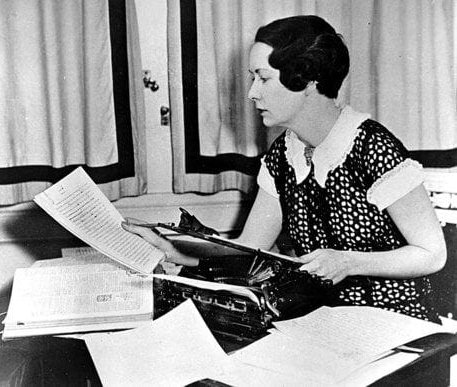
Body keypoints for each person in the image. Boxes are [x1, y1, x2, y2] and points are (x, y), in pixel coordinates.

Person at [122, 15, 446, 322]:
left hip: (395, 324)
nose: (251, 92)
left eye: (263, 78)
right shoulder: (283, 153)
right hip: (321, 320)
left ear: (306, 80)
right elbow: (253, 247)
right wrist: (175, 250)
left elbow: (432, 254)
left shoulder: (371, 147)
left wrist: (348, 261)